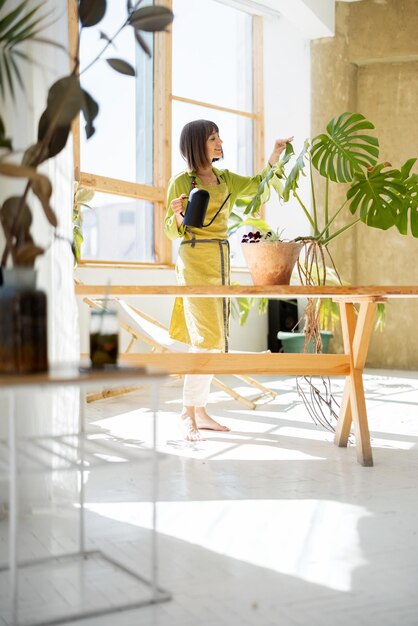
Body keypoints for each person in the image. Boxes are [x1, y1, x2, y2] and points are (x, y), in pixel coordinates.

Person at [164, 119, 293, 442]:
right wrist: (178, 216)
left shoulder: (225, 179)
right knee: (205, 338)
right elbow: (169, 228)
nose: (220, 143)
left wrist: (275, 154)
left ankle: (200, 411)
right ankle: (186, 412)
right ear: (197, 144)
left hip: (221, 261)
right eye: (213, 138)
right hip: (194, 261)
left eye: (219, 137)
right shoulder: (180, 181)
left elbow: (258, 184)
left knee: (215, 339)